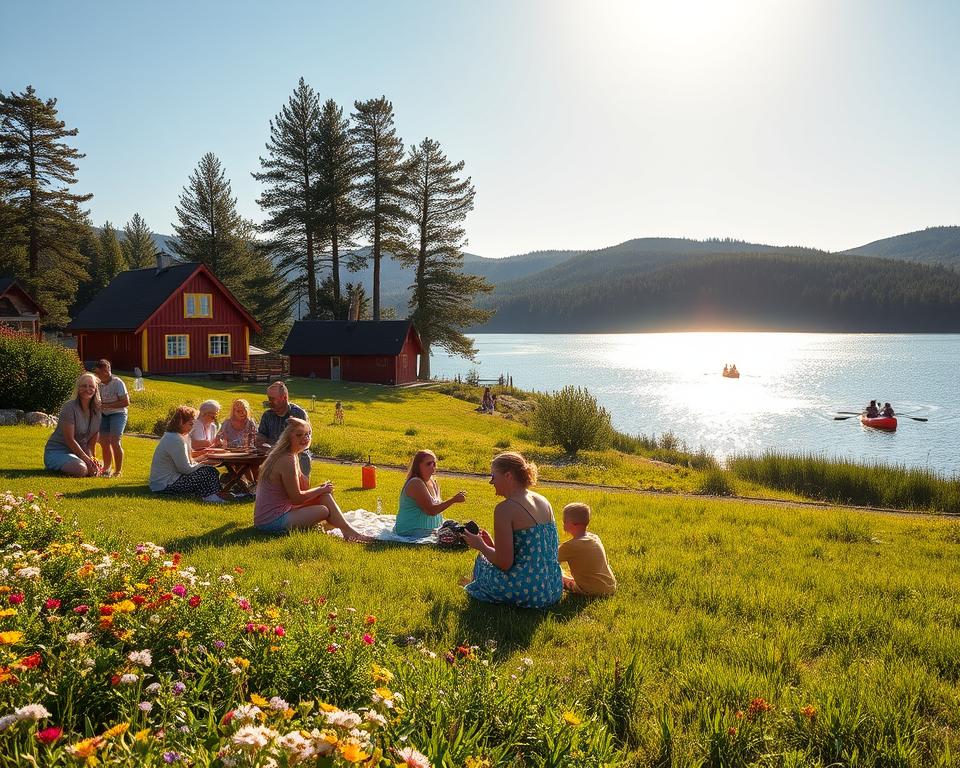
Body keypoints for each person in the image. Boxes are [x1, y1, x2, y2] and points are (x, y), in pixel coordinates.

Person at [461, 452, 563, 608]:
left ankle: (478, 587)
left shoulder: (504, 509)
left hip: (528, 591)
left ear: (508, 476)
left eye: (494, 476)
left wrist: (480, 545)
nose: (491, 482)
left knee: (481, 560)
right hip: (553, 587)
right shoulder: (543, 500)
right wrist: (492, 545)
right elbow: (532, 551)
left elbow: (504, 563)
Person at [253, 417, 371, 540]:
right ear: (288, 437)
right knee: (323, 510)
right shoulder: (286, 459)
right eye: (299, 435)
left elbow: (302, 490)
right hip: (270, 522)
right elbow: (297, 498)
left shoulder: (290, 455)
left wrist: (320, 489)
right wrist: (320, 490)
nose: (305, 438)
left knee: (325, 496)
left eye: (308, 434)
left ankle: (347, 531)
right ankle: (347, 531)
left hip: (278, 513)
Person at [149, 406, 225, 503]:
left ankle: (214, 494)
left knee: (208, 470)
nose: (192, 427)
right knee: (209, 472)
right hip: (165, 485)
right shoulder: (174, 439)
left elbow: (188, 459)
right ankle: (210, 496)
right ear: (181, 422)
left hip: (169, 481)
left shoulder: (181, 436)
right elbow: (186, 469)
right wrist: (205, 462)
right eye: (190, 424)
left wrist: (204, 455)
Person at [394, 450, 467, 537]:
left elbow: (438, 506)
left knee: (460, 530)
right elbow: (431, 511)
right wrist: (453, 500)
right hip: (411, 530)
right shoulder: (416, 483)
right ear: (418, 466)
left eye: (434, 463)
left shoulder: (433, 481)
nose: (432, 466)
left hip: (432, 528)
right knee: (453, 537)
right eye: (428, 464)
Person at [44, 372, 103, 477]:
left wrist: (91, 461)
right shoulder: (69, 407)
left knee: (92, 472)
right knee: (81, 469)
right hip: (58, 451)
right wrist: (86, 460)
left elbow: (90, 445)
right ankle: (54, 466)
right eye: (84, 386)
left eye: (91, 386)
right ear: (78, 389)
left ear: (95, 390)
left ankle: (77, 465)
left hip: (78, 454)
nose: (87, 389)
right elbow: (69, 439)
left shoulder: (97, 412)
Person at [557, 503, 617, 596]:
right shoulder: (594, 537)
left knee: (557, 575)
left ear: (572, 523)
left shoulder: (570, 546)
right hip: (610, 586)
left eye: (564, 521)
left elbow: (551, 559)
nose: (563, 523)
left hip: (593, 590)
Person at [257, 381, 310, 477]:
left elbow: (304, 441)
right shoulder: (267, 415)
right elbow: (260, 438)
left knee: (303, 458)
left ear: (284, 397)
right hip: (272, 455)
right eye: (269, 399)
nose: (270, 402)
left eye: (272, 399)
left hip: (295, 455)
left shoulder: (298, 414)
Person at [94, 359, 129, 478]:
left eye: (107, 370)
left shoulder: (118, 382)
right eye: (102, 371)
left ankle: (118, 471)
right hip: (103, 415)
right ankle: (107, 468)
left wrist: (107, 406)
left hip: (118, 414)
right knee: (104, 442)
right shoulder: (96, 383)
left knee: (115, 441)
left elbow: (125, 402)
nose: (106, 373)